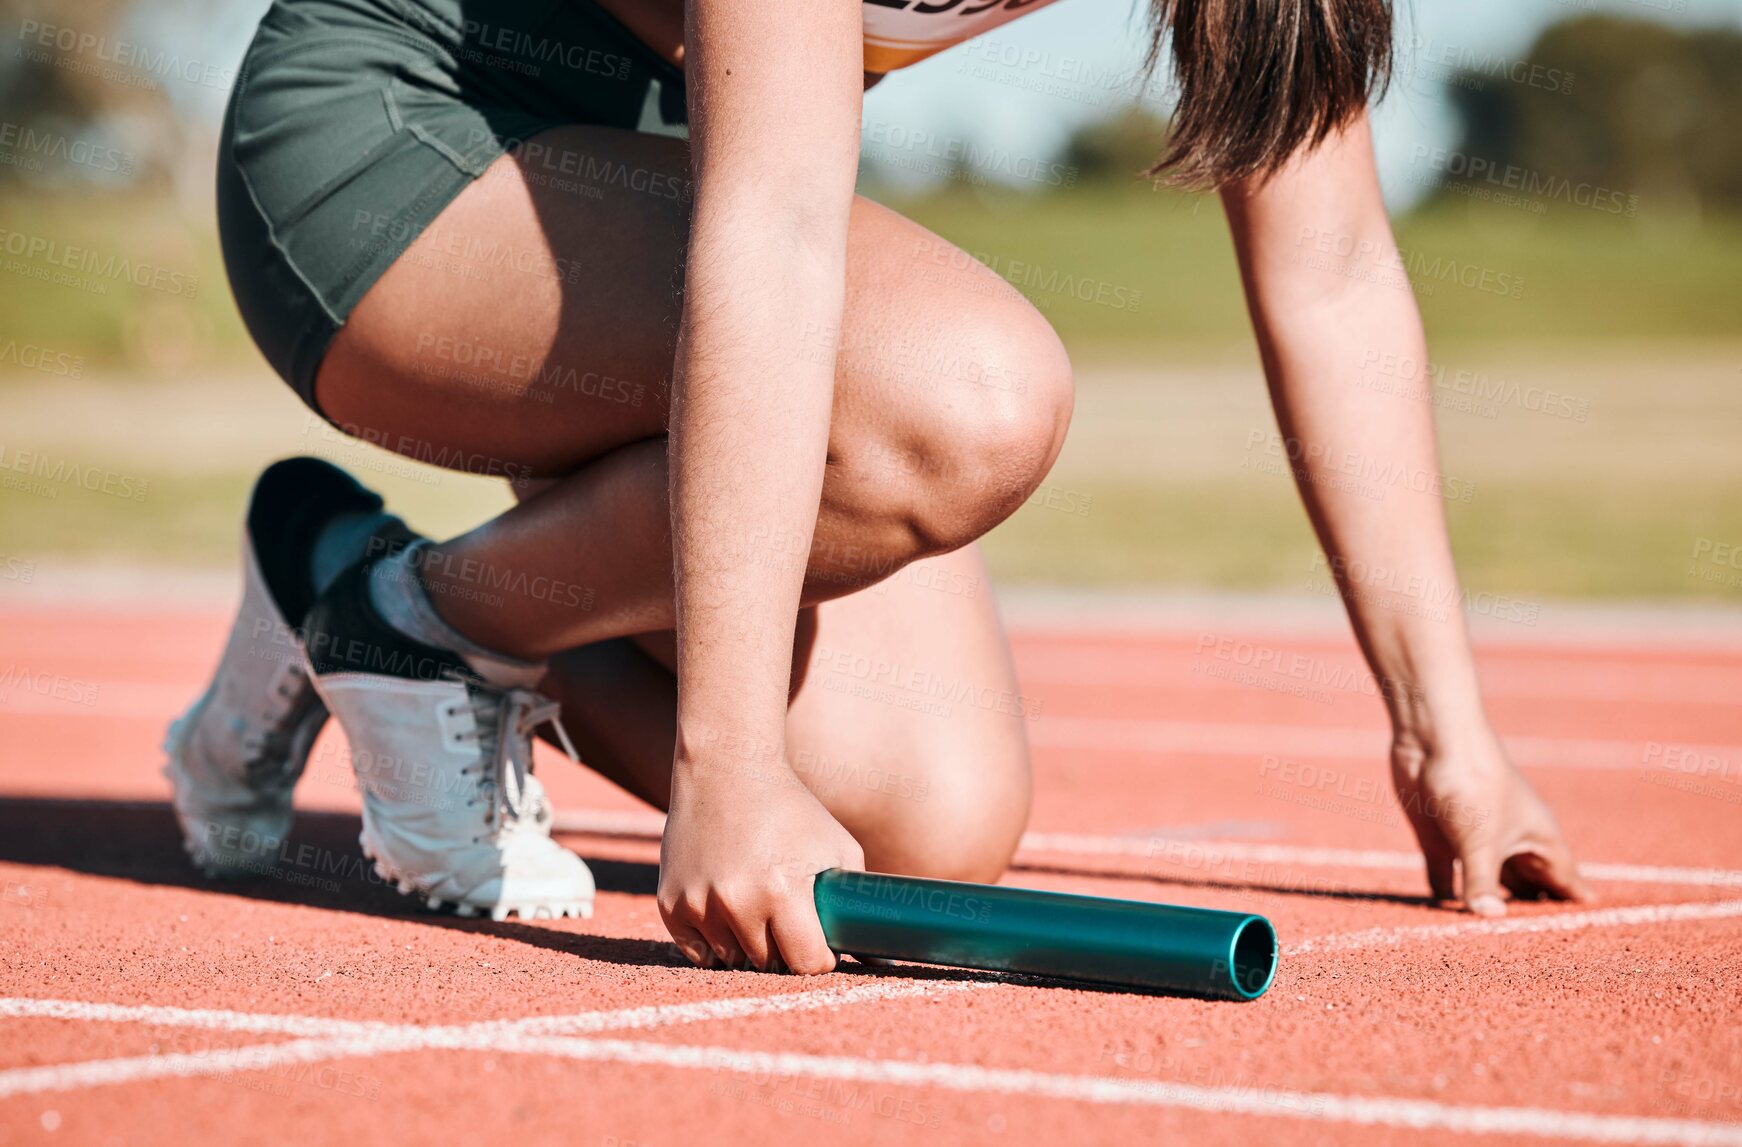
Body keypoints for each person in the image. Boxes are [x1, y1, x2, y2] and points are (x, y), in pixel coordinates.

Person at [170, 0, 1591, 969]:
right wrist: (727, 767)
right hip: (401, 142)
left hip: (647, 182)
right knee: (960, 401)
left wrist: (1446, 736)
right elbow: (775, 228)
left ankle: (374, 593)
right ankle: (422, 633)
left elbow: (1332, 277)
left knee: (929, 825)